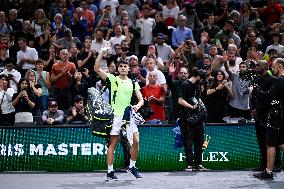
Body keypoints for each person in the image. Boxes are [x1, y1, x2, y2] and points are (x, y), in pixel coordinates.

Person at [94, 45, 144, 181]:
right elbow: (97, 68)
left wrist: (137, 106)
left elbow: (141, 100)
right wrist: (101, 53)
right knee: (113, 144)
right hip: (115, 116)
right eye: (120, 66)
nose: (123, 68)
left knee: (136, 141)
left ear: (128, 69)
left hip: (128, 115)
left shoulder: (134, 83)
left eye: (125, 66)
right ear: (118, 68)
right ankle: (110, 172)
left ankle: (132, 167)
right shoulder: (112, 79)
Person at [253, 58, 284, 180]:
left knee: (270, 143)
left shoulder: (279, 80)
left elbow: (269, 97)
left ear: (280, 66)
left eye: (274, 66)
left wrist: (255, 90)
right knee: (281, 143)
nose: (273, 69)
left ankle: (268, 172)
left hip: (278, 116)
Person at [178, 68, 207, 171]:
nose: (204, 81)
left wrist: (201, 105)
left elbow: (197, 98)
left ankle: (198, 164)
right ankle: (189, 164)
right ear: (198, 77)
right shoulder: (185, 84)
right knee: (188, 141)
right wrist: (191, 107)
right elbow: (180, 100)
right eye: (202, 79)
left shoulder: (198, 86)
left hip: (198, 117)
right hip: (186, 117)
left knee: (199, 141)